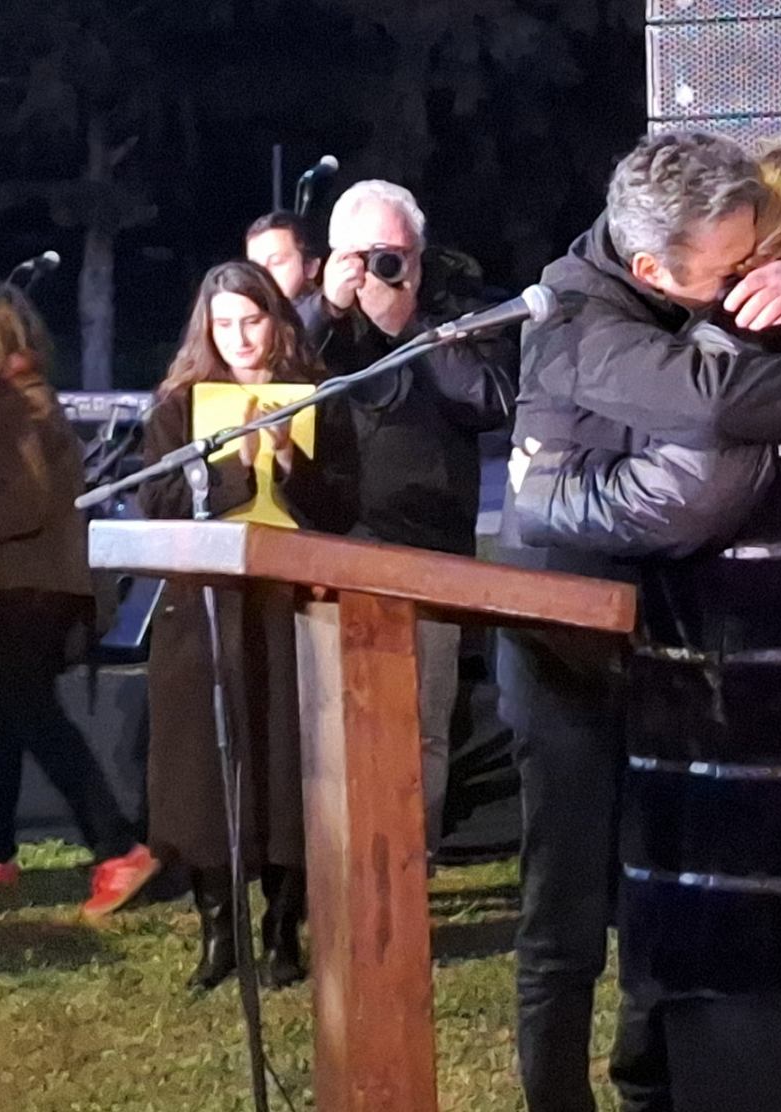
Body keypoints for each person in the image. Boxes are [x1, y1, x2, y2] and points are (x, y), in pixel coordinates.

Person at [498, 130, 781, 1112]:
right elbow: (704, 396)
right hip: (573, 639)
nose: (737, 279)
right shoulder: (576, 310)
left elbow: (684, 487)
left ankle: (646, 1090)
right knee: (572, 910)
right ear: (656, 264)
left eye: (751, 256)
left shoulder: (770, 323)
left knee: (711, 959)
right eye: (727, 265)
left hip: (721, 709)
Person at [140, 261, 356, 990]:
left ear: (276, 320)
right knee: (206, 774)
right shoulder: (177, 406)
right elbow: (158, 504)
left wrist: (290, 462)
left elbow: (344, 509)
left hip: (287, 608)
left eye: (252, 320)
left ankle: (283, 929)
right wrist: (236, 469)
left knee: (287, 765)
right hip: (203, 612)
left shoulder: (319, 394)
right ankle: (218, 930)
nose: (238, 338)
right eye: (223, 324)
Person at [299, 180, 516, 862]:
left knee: (420, 724)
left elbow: (491, 400)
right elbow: (274, 381)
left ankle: (404, 865)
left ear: (421, 255)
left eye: (397, 254)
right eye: (366, 255)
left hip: (430, 549)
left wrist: (410, 328)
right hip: (326, 545)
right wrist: (326, 309)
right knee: (329, 719)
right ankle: (330, 865)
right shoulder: (315, 323)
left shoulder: (458, 314)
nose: (384, 268)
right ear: (336, 256)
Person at [0, 281, 159, 917]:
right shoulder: (26, 395)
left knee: (33, 718)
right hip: (29, 584)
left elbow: (25, 499)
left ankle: (118, 848)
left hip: (26, 587)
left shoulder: (9, 399)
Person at [245, 211, 321, 305]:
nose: (262, 273)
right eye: (255, 267)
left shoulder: (326, 310)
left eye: (276, 262)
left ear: (310, 267)